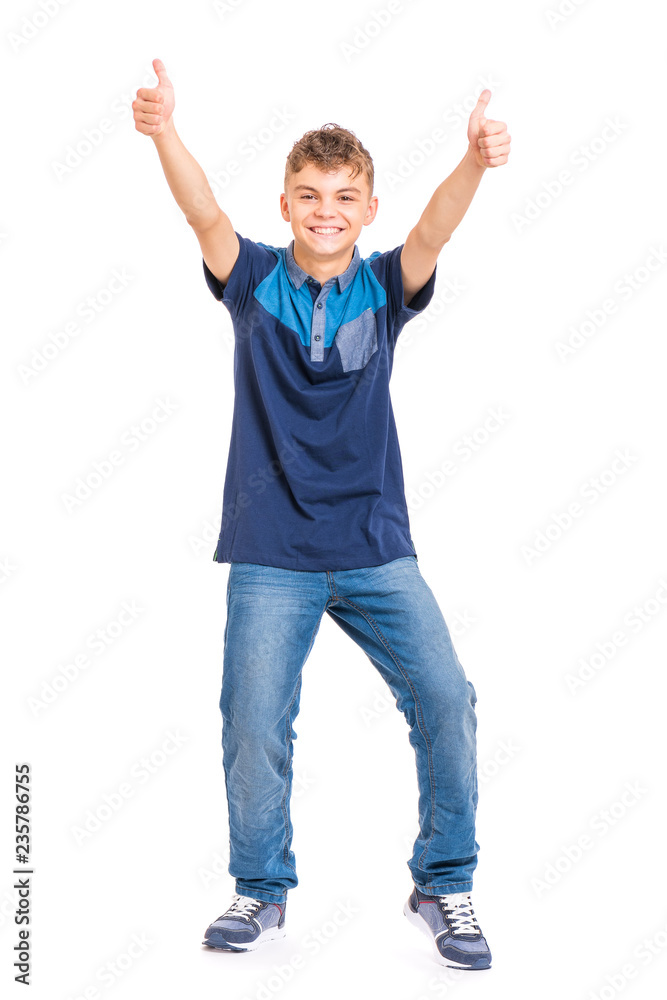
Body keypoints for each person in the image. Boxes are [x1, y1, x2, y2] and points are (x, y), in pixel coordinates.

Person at [133, 57, 510, 971]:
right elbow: (202, 214)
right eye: (309, 194)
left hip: (375, 544)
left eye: (344, 195)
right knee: (253, 719)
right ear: (287, 205)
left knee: (448, 703)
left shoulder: (384, 288)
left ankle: (442, 883)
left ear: (365, 209)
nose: (326, 209)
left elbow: (433, 230)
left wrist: (471, 161)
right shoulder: (252, 279)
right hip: (271, 549)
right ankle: (258, 891)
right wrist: (163, 132)